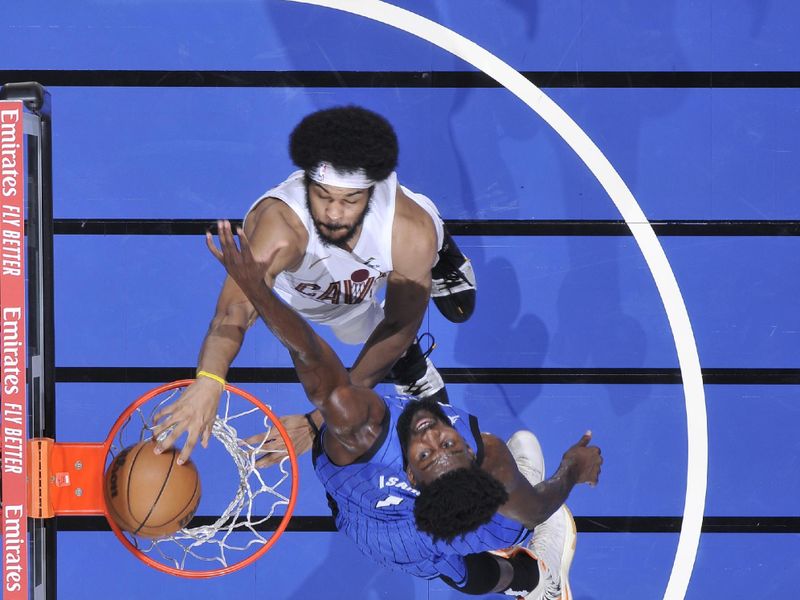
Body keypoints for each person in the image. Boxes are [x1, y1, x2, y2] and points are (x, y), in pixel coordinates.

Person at [203, 220, 603, 598]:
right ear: (470, 452)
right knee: (504, 530)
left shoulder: (360, 431)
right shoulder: (491, 458)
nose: (432, 435)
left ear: (411, 472)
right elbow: (537, 510)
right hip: (442, 517)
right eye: (448, 445)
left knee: (453, 563)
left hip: (368, 520)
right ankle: (534, 578)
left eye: (429, 453)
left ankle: (526, 575)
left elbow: (309, 353)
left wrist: (258, 290)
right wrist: (572, 468)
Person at [154, 105, 477, 465]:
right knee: (358, 334)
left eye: (349, 201)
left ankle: (442, 253)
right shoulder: (281, 229)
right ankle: (409, 362)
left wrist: (319, 422)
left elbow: (400, 324)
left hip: (384, 264)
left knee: (416, 271)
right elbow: (235, 309)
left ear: (370, 194)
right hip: (315, 293)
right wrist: (209, 379)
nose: (334, 213)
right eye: (323, 197)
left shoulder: (408, 232)